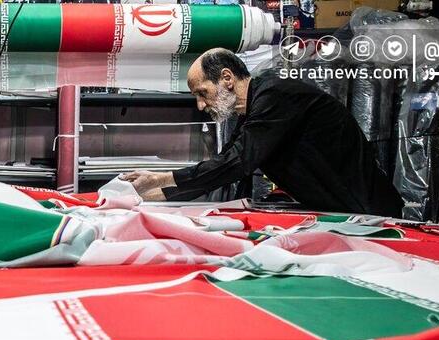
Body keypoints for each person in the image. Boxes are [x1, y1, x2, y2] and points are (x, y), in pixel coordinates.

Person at [122, 48, 403, 216]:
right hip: (345, 211)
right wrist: (144, 197)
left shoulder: (276, 97)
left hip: (370, 211)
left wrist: (159, 178)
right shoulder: (255, 109)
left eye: (202, 92)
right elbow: (220, 169)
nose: (200, 105)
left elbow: (236, 163)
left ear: (227, 78)